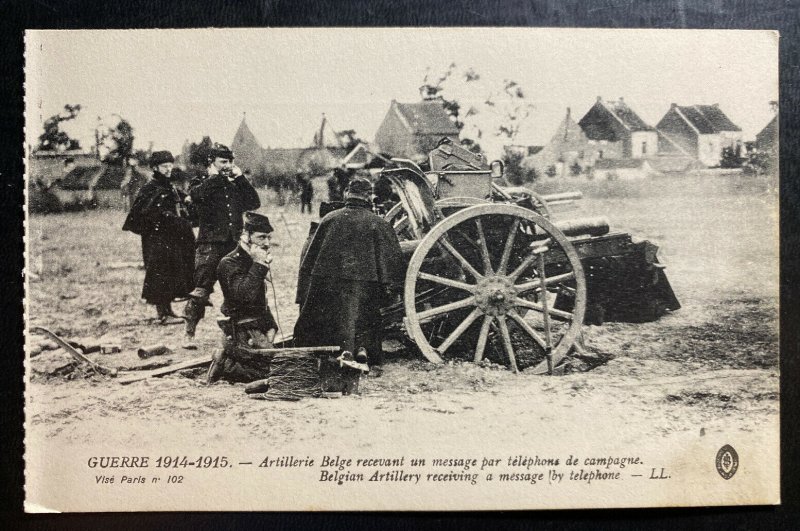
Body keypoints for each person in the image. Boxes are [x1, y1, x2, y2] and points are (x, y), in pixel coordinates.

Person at [293, 177, 403, 372]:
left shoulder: (329, 219)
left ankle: (332, 354)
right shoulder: (378, 223)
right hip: (365, 286)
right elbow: (392, 264)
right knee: (366, 317)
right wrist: (390, 289)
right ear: (369, 196)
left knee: (335, 317)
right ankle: (366, 356)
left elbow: (309, 262)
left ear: (346, 194)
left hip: (330, 285)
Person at [183, 143, 261, 347]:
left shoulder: (235, 182)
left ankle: (240, 332)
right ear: (212, 163)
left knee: (239, 287)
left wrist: (240, 178)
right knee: (201, 289)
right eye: (223, 162)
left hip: (233, 243)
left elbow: (253, 202)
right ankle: (189, 333)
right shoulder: (201, 181)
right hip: (210, 244)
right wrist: (216, 177)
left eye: (230, 161)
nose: (228, 165)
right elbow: (196, 196)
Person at [122, 151, 195, 323]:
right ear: (155, 168)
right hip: (156, 240)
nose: (169, 169)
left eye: (170, 165)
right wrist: (168, 218)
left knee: (170, 271)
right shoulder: (150, 188)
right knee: (159, 272)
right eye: (164, 166)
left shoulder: (168, 186)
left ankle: (168, 311)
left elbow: (180, 200)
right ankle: (162, 314)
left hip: (170, 238)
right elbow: (146, 213)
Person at [207, 212, 278, 383]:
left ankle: (233, 359)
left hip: (259, 324)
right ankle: (224, 362)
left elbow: (260, 300)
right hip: (240, 328)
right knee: (267, 374)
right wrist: (259, 265)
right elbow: (243, 296)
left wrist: (271, 325)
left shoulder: (251, 259)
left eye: (268, 237)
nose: (267, 243)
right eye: (262, 237)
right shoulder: (229, 262)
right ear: (246, 237)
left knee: (275, 365)